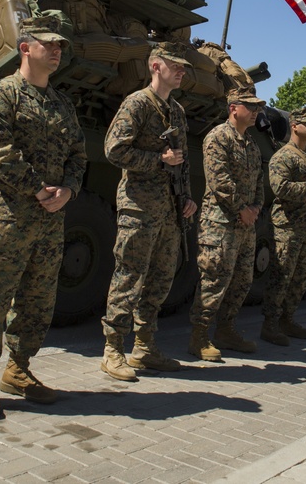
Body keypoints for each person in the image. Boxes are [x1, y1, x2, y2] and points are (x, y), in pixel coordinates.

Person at [0, 15, 88, 418]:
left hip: (50, 221)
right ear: (25, 47)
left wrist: (68, 189)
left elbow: (78, 156)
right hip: (7, 218)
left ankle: (19, 370)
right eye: (49, 43)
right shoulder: (2, 95)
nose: (56, 50)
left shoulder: (62, 104)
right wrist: (36, 187)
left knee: (37, 300)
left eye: (61, 46)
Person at [101, 42, 198, 381]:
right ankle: (113, 349)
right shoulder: (138, 103)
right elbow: (114, 150)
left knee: (160, 280)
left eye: (184, 66)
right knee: (129, 276)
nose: (182, 70)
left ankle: (145, 347)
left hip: (169, 210)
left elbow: (181, 161)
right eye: (175, 65)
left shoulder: (178, 112)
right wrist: (157, 160)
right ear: (156, 66)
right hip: (139, 206)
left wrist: (186, 197)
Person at [188, 87, 266, 361]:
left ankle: (226, 330)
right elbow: (219, 180)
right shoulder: (218, 138)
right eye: (250, 106)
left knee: (242, 280)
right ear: (234, 108)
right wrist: (241, 209)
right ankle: (199, 336)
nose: (256, 112)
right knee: (214, 278)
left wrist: (255, 208)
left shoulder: (252, 145)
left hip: (246, 225)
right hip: (220, 223)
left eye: (257, 108)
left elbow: (259, 184)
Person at [260, 106, 306, 346]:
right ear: (294, 126)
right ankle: (270, 325)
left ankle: (287, 319)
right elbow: (280, 189)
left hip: (305, 227)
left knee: (300, 279)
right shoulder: (283, 156)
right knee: (281, 278)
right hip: (287, 227)